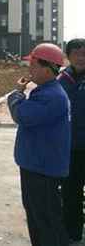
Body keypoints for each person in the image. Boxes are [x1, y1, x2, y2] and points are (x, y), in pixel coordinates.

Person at [7, 43, 71, 246]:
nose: (30, 70)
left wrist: (17, 94)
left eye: (33, 65)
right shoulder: (46, 91)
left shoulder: (51, 96)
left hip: (42, 168)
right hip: (37, 164)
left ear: (48, 69)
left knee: (45, 220)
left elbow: (22, 115)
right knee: (38, 216)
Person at [59, 38, 85, 243]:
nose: (81, 58)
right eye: (76, 53)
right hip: (69, 148)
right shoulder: (61, 80)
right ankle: (73, 233)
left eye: (84, 54)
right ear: (68, 56)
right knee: (71, 193)